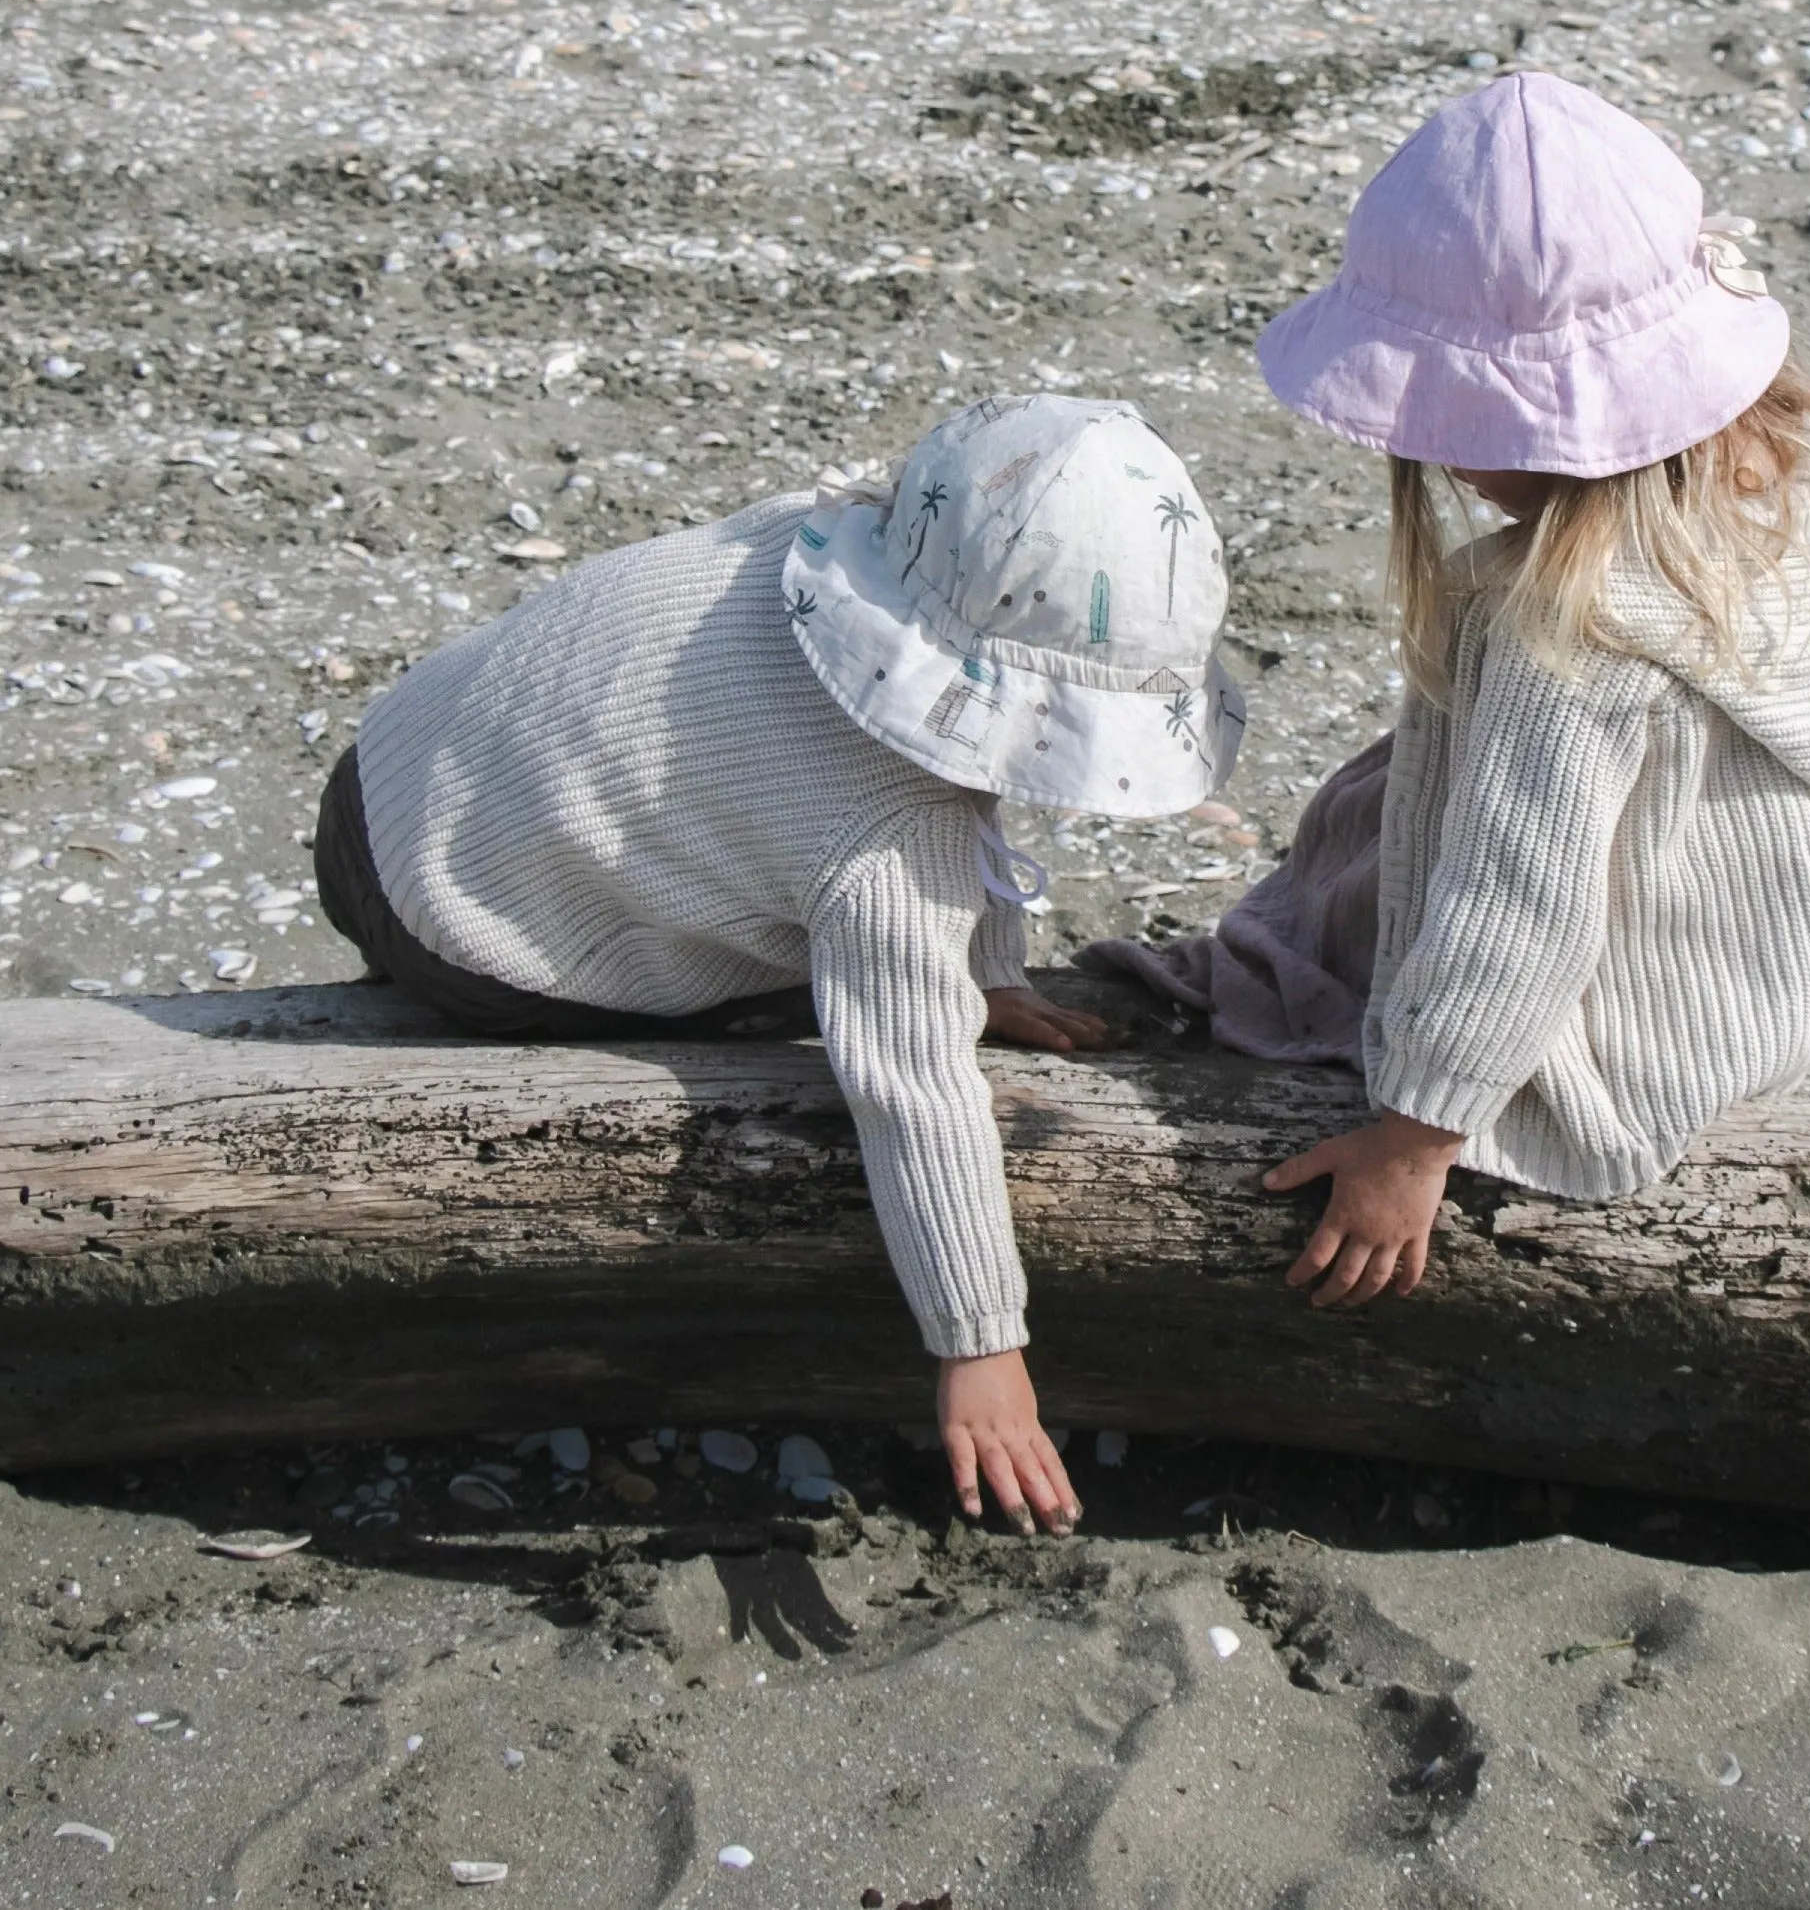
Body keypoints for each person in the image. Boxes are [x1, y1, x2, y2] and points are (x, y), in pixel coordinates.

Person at [314, 393, 1246, 1537]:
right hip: (462, 934)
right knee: (822, 991)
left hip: (384, 776)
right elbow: (912, 1089)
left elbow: (968, 760)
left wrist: (992, 973)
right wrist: (981, 1344)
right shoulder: (885, 840)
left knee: (814, 865)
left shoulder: (805, 543)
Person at [1247, 70, 1810, 1306]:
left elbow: (1521, 906)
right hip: (1767, 977)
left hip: (1637, 1034)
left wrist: (1417, 1136)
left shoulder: (1567, 630)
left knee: (1374, 904)